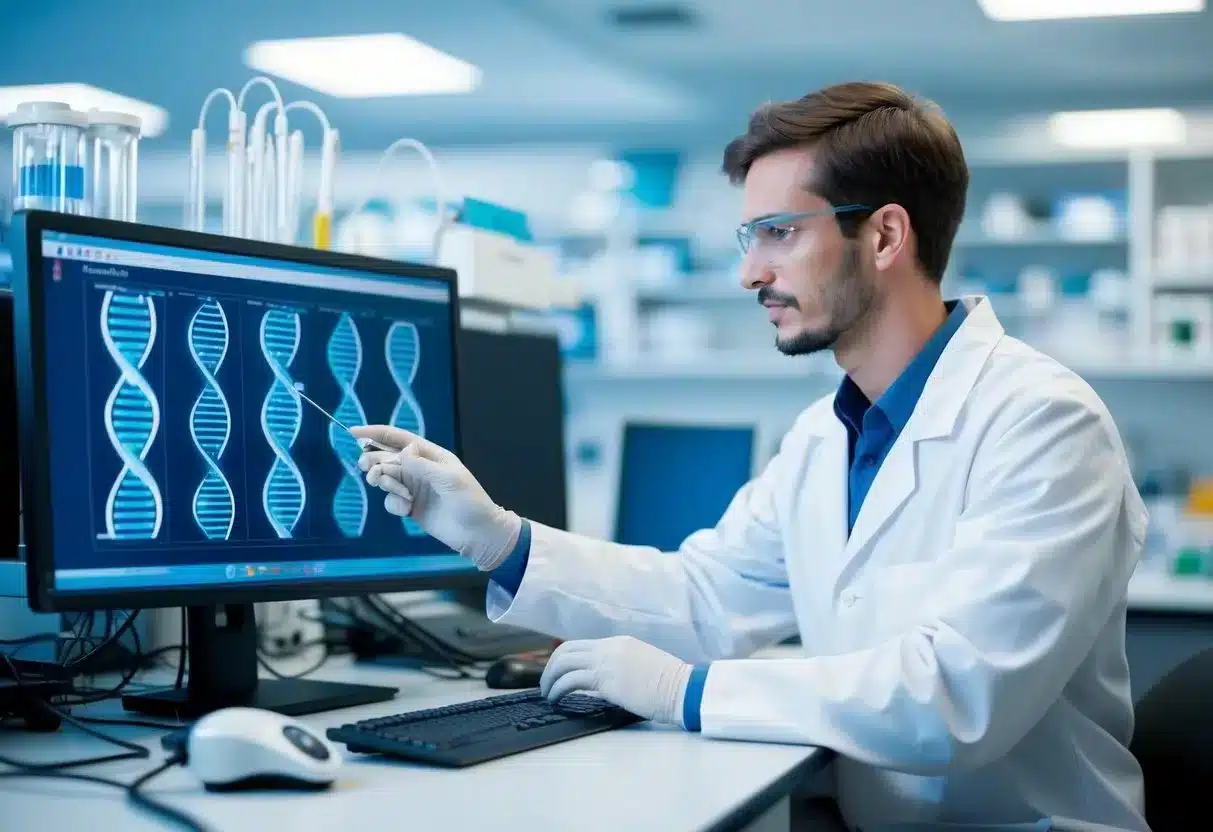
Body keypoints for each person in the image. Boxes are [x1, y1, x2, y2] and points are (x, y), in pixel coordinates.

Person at [352, 81, 1148, 831]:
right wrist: (497, 538)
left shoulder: (1041, 421)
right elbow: (707, 596)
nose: (749, 272)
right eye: (749, 236)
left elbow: (956, 696)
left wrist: (686, 692)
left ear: (883, 235)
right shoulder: (823, 436)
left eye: (779, 233)